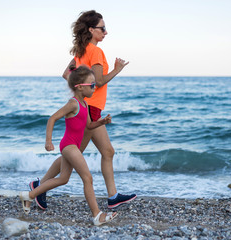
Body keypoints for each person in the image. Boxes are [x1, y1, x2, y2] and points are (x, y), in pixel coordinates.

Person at [29, 10, 136, 210]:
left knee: (107, 151)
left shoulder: (80, 51)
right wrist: (118, 69)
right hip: (91, 108)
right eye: (102, 28)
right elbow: (101, 80)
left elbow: (65, 75)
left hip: (88, 107)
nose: (106, 32)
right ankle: (40, 186)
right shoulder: (95, 52)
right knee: (73, 155)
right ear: (91, 29)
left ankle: (113, 196)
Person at [20, 65, 117, 226]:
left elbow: (89, 127)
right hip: (69, 146)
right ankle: (97, 215)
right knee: (88, 178)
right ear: (79, 87)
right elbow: (52, 118)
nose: (95, 88)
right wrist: (48, 141)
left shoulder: (85, 105)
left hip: (72, 146)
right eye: (92, 85)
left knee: (63, 178)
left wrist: (102, 122)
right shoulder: (73, 104)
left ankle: (29, 195)